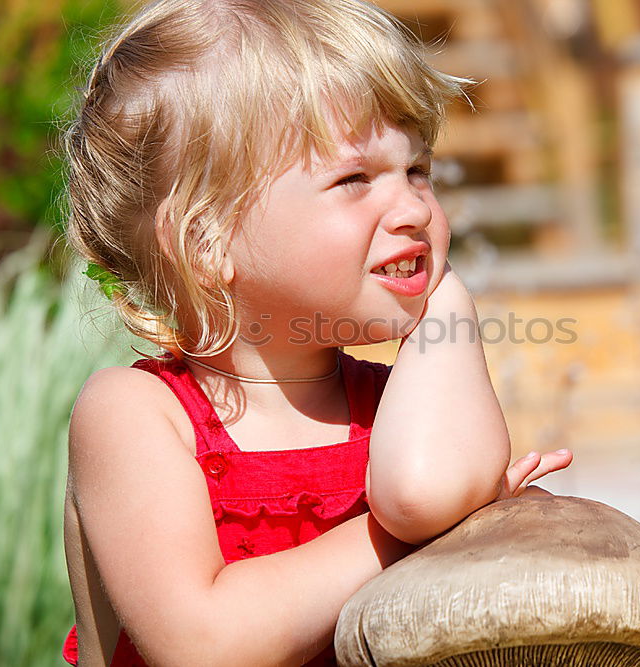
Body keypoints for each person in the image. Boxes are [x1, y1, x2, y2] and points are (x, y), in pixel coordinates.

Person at [60, 0, 574, 664]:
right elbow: (203, 642)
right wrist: (405, 541)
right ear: (209, 240)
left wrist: (448, 302)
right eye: (354, 179)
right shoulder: (135, 417)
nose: (415, 209)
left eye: (418, 171)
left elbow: (423, 492)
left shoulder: (402, 411)